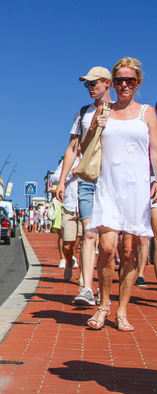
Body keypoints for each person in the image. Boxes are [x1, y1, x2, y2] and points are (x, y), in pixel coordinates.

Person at [84, 57, 157, 332]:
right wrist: (96, 126)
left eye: (130, 80)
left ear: (137, 82)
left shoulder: (147, 112)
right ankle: (103, 306)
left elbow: (154, 150)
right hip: (109, 186)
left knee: (130, 251)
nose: (124, 85)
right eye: (119, 80)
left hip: (137, 187)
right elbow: (86, 146)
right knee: (106, 247)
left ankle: (122, 311)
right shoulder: (103, 109)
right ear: (112, 83)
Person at [56, 66, 112, 307]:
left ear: (107, 83)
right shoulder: (82, 113)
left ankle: (103, 287)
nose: (90, 88)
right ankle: (86, 288)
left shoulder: (120, 110)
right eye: (87, 84)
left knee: (110, 243)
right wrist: (61, 180)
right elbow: (72, 148)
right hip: (87, 180)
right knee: (89, 233)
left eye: (94, 83)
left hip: (113, 181)